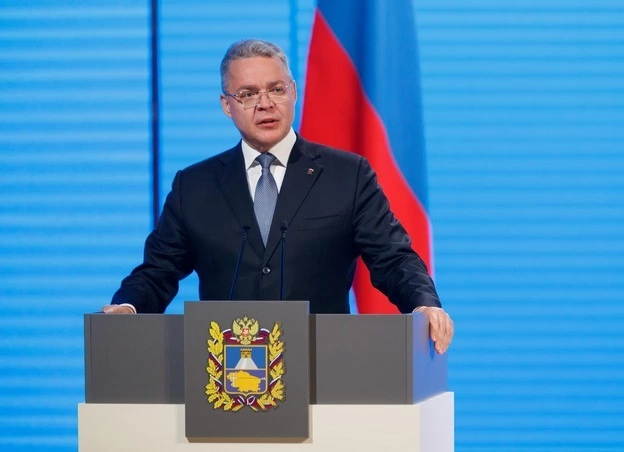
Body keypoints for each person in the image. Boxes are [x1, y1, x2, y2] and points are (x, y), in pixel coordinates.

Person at [103, 39, 454, 354]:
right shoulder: (194, 186)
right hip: (227, 377)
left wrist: (423, 303)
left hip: (325, 367)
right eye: (248, 94)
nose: (265, 104)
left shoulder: (348, 176)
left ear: (293, 92)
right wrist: (127, 307)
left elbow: (393, 258)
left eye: (276, 89)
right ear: (226, 105)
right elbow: (158, 271)